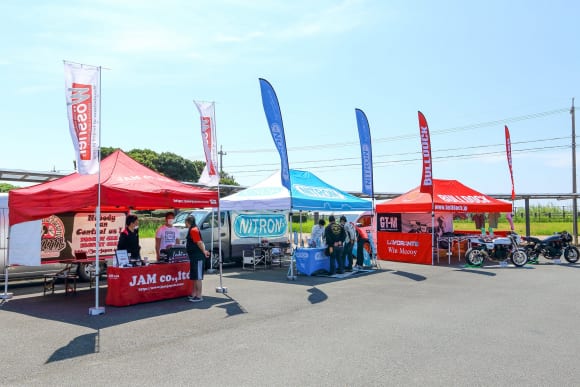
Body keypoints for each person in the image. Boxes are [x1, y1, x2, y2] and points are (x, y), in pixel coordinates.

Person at [185, 215, 210, 302]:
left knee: (198, 277)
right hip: (194, 257)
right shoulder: (193, 229)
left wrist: (204, 251)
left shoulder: (193, 230)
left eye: (185, 223)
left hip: (198, 257)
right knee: (195, 276)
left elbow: (199, 242)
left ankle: (199, 296)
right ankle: (194, 294)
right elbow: (200, 242)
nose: (185, 224)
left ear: (188, 222)